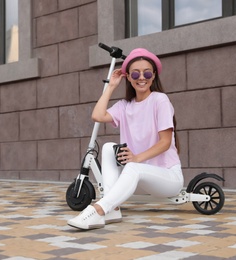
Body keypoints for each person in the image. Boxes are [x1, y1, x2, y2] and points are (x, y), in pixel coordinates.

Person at [67, 48, 184, 230]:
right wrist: (111, 86)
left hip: (167, 179)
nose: (141, 77)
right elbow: (97, 116)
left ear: (153, 76)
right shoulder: (124, 106)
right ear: (128, 77)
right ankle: (113, 208)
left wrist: (136, 158)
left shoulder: (160, 100)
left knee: (133, 167)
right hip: (138, 180)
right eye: (135, 73)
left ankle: (99, 209)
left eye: (146, 72)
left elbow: (165, 142)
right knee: (107, 147)